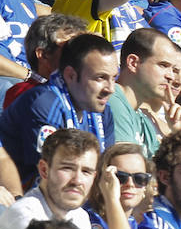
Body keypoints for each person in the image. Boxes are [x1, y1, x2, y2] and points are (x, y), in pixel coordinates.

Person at [0, 31, 117, 187]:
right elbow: (52, 181)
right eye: (100, 78)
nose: (110, 89)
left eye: (113, 78)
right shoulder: (44, 104)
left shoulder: (103, 111)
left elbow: (105, 172)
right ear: (70, 75)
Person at [0, 127, 105, 229]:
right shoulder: (25, 215)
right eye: (67, 168)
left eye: (86, 172)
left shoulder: (80, 217)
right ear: (44, 170)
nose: (77, 181)